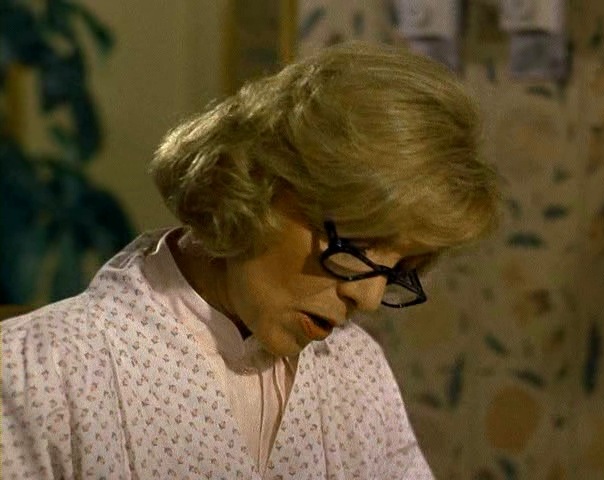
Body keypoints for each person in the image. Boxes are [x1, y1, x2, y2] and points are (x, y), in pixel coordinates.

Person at [1, 41, 499, 479]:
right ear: (260, 185)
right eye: (359, 246)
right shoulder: (34, 373)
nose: (368, 298)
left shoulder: (357, 369)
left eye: (399, 270)